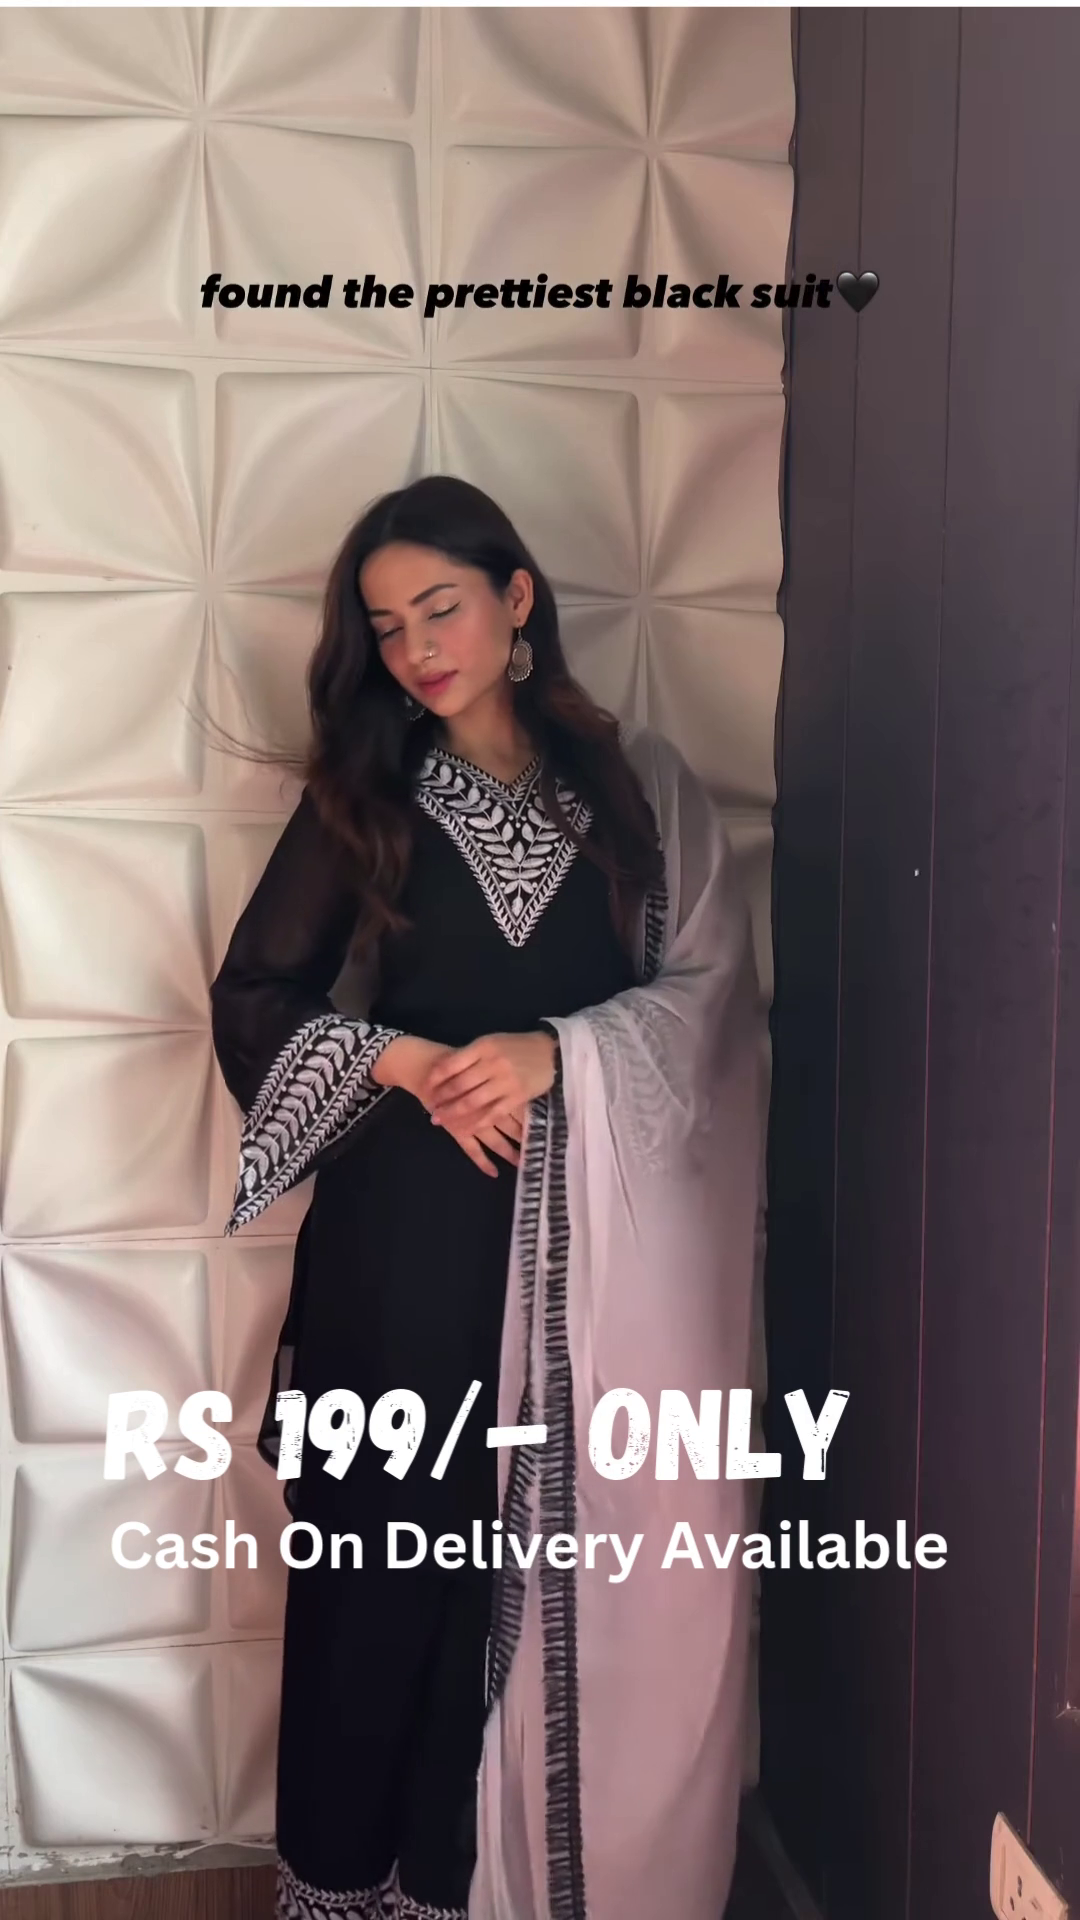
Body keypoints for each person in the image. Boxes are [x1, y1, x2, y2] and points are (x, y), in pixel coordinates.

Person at [208, 474, 763, 1920]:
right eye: (387, 626)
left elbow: (708, 1006)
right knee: (377, 1571)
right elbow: (256, 995)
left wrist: (554, 1054)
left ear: (517, 598)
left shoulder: (633, 793)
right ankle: (340, 1890)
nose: (415, 650)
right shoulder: (368, 799)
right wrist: (399, 1059)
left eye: (439, 608)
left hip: (585, 1255)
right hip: (400, 1251)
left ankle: (472, 1890)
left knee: (513, 1575)